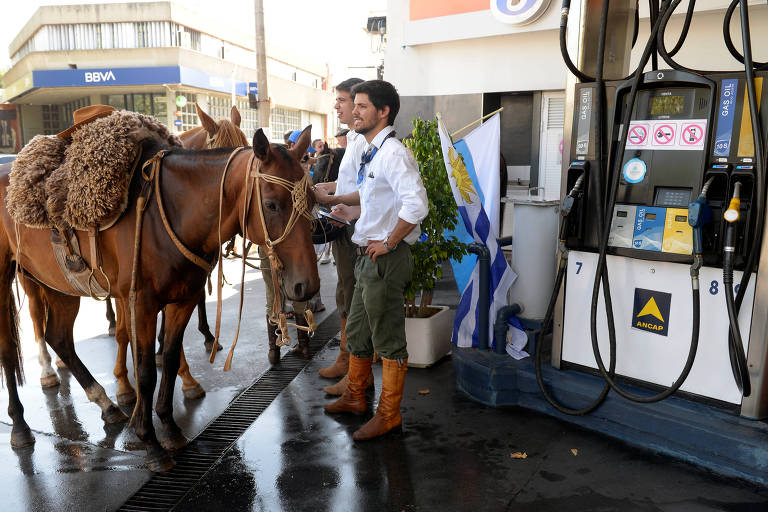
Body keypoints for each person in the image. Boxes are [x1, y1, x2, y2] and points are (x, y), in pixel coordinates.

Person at [322, 79, 428, 441]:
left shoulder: (393, 153)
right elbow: (378, 201)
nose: (354, 111)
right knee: (358, 332)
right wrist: (351, 213)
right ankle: (355, 396)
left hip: (386, 258)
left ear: (383, 112)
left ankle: (389, 414)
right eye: (356, 105)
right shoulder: (373, 152)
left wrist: (389, 240)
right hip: (369, 254)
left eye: (363, 106)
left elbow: (417, 205)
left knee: (388, 339)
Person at [313, 78, 370, 393]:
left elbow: (368, 190)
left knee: (352, 295)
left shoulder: (363, 141)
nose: (337, 106)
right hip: (346, 222)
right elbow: (351, 183)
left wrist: (332, 199)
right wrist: (331, 188)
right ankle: (348, 362)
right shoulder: (352, 139)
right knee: (345, 293)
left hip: (355, 226)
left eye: (344, 100)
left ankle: (353, 367)